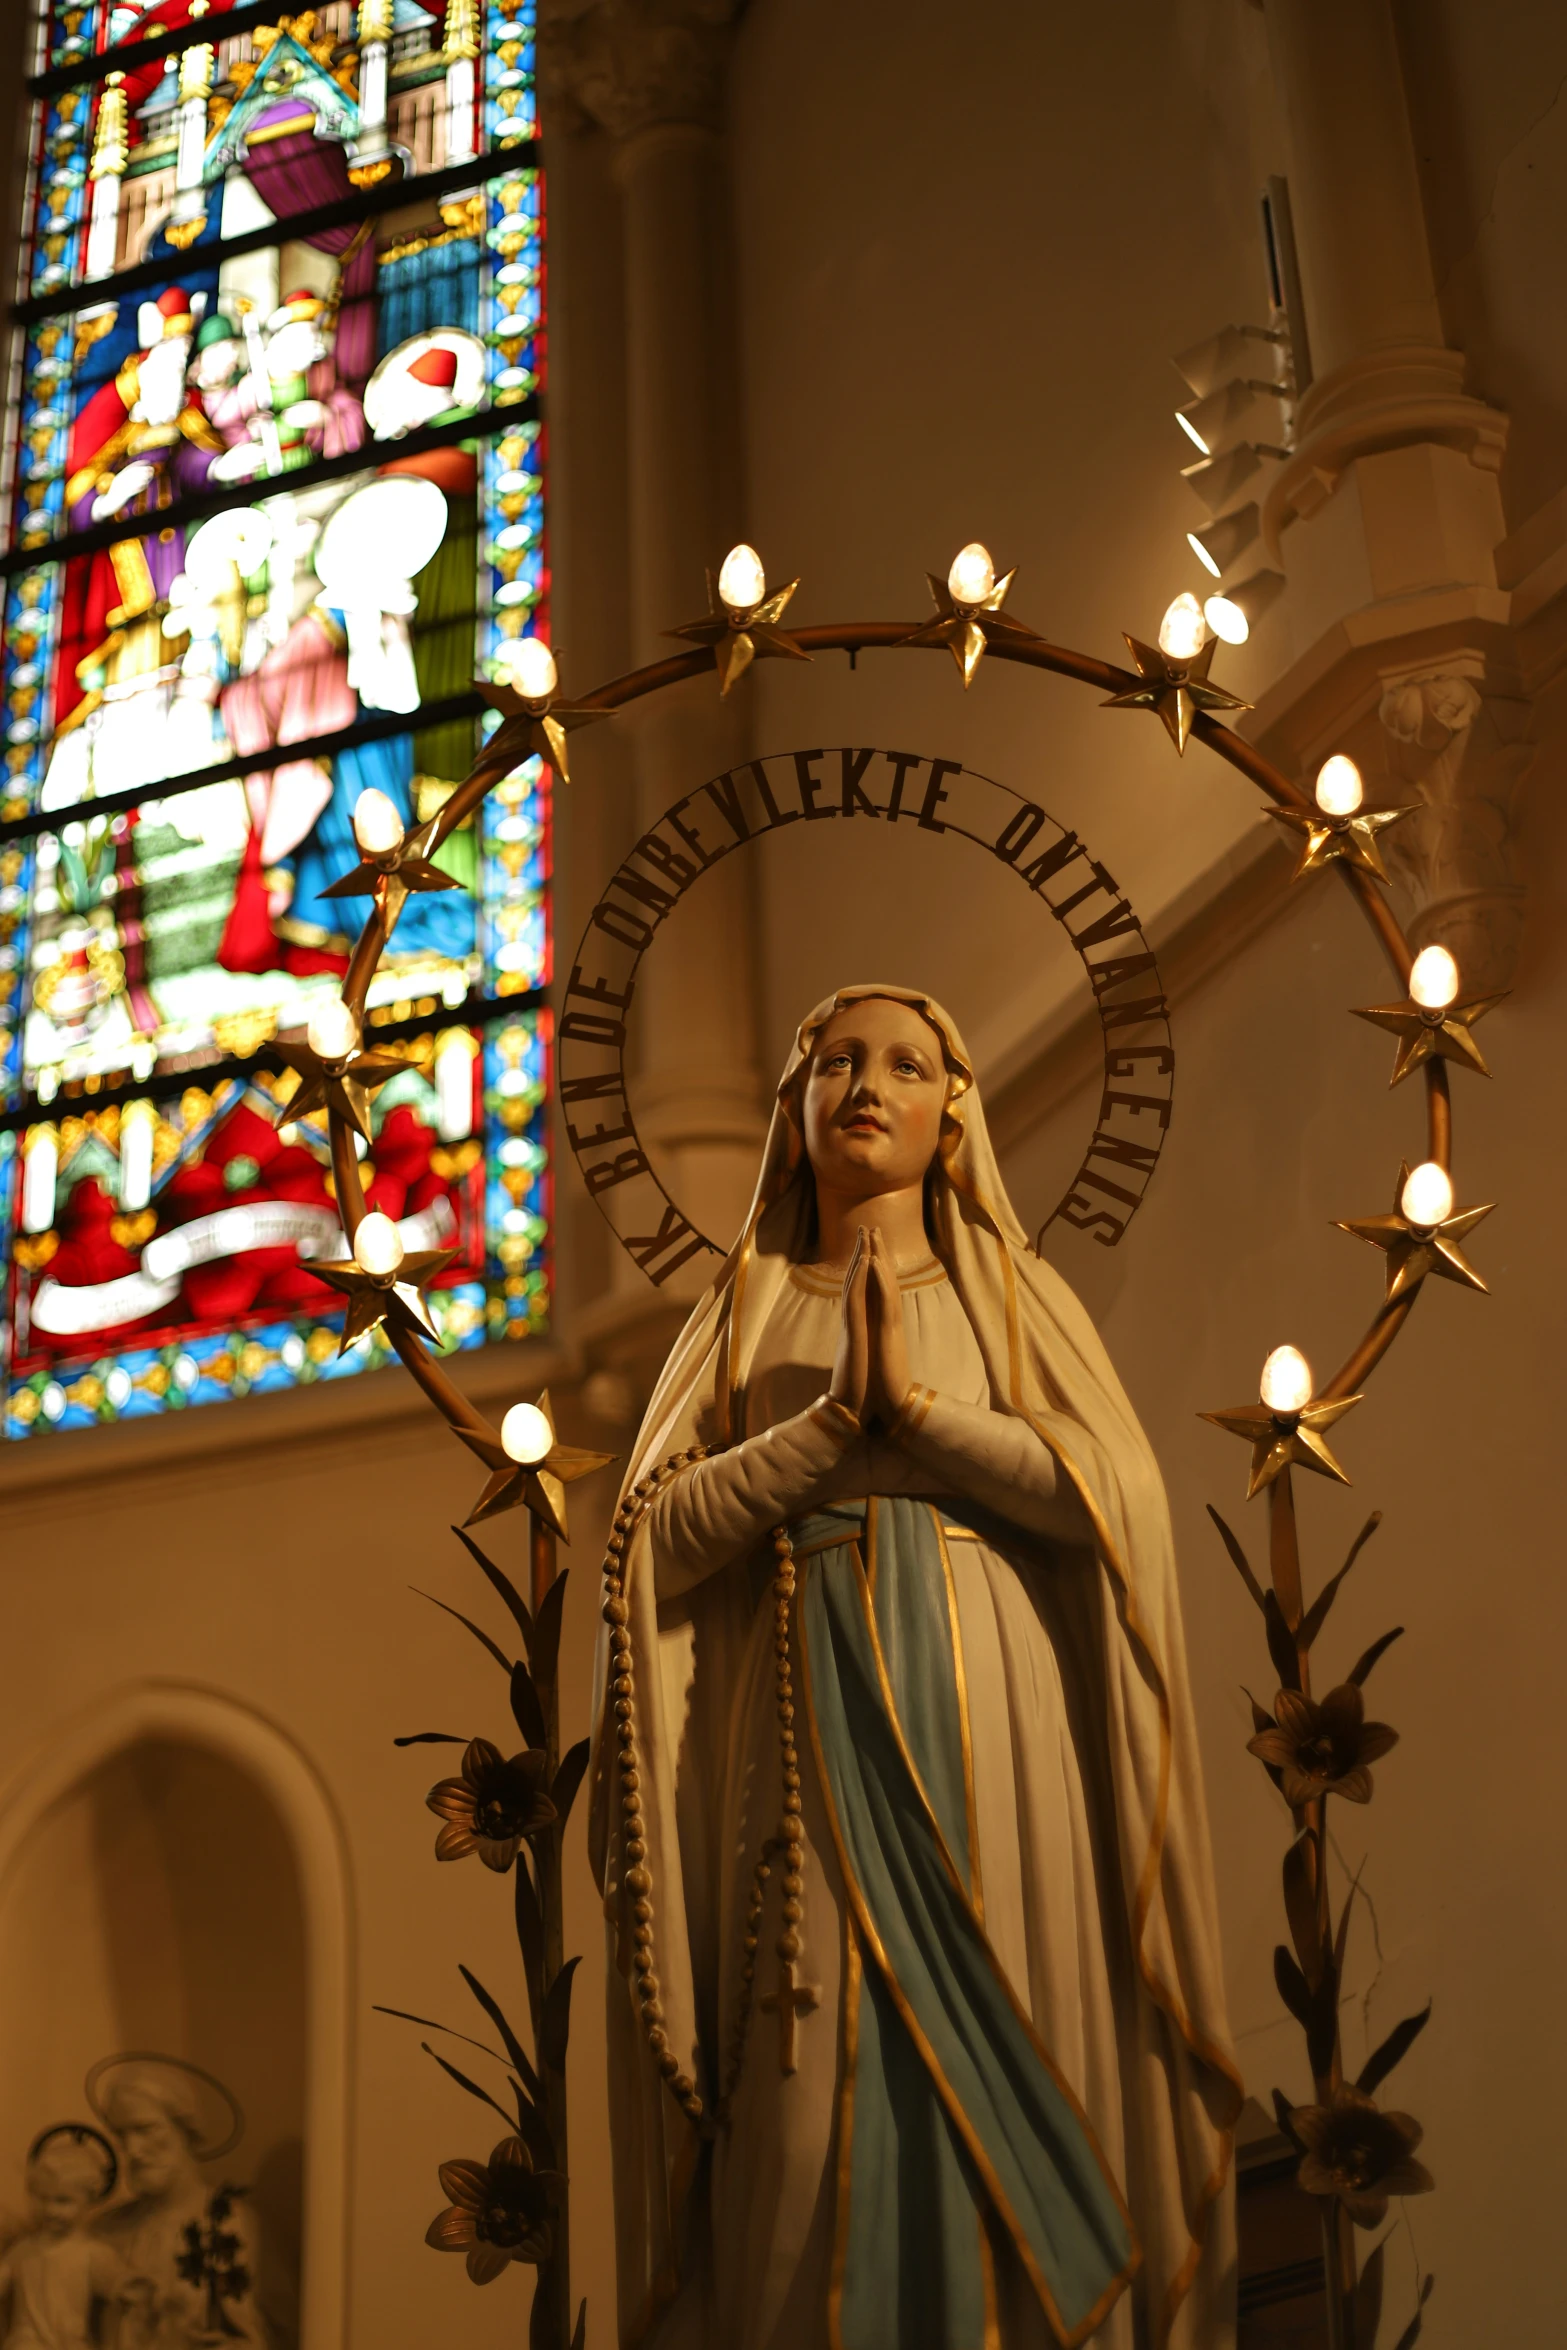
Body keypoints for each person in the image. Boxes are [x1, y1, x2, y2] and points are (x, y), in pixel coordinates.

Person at [592, 987, 1242, 2349]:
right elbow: (657, 1540)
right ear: (792, 1104)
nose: (865, 1084)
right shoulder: (742, 1308)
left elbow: (1104, 1500)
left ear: (956, 1107)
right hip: (790, 1720)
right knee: (798, 2074)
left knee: (1012, 1994)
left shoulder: (1015, 1291)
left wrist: (923, 1420)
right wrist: (827, 1434)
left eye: (902, 1061)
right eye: (833, 1061)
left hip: (994, 1707)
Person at [90, 2065, 260, 2350]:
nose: (132, 2150)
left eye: (145, 2129)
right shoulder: (104, 2229)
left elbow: (264, 2335)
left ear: (186, 2130)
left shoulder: (230, 2223)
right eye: (122, 2135)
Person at [0, 2129, 124, 2350]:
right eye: (42, 2198)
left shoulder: (91, 2252)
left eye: (62, 2201)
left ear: (89, 2199)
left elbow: (122, 2288)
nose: (50, 2210)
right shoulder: (24, 2249)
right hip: (27, 2343)